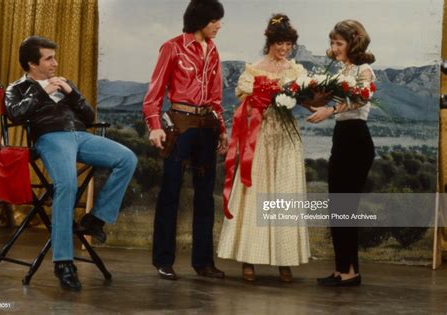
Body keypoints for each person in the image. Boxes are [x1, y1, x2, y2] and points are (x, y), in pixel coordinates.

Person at [5, 36, 138, 291]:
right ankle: (63, 262)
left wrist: (71, 92)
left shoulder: (65, 83)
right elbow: (16, 114)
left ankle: (95, 219)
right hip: (51, 137)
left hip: (80, 135)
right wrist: (42, 92)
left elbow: (88, 116)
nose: (55, 62)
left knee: (127, 158)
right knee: (66, 184)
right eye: (49, 58)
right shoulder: (18, 88)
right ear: (33, 63)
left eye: (54, 57)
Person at [217, 14, 313, 282]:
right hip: (259, 136)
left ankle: (285, 259)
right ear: (269, 42)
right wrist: (261, 98)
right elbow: (245, 103)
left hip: (286, 137)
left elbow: (305, 98)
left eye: (288, 44)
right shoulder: (254, 70)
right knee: (255, 190)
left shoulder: (296, 71)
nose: (284, 49)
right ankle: (250, 258)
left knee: (284, 191)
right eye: (279, 43)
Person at [142, 0, 228, 281]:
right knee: (170, 193)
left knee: (205, 197)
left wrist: (222, 130)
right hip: (180, 124)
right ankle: (163, 260)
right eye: (215, 20)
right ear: (200, 19)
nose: (219, 25)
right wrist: (155, 126)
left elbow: (216, 98)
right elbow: (154, 94)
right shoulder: (173, 47)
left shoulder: (213, 51)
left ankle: (203, 262)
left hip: (207, 126)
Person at [307, 20, 376, 286]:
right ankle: (342, 269)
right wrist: (296, 96)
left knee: (346, 207)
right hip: (342, 137)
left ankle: (350, 272)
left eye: (339, 43)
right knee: (337, 206)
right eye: (333, 43)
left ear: (353, 43)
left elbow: (361, 99)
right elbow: (322, 103)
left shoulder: (364, 69)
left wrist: (330, 110)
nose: (334, 48)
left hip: (357, 139)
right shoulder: (341, 70)